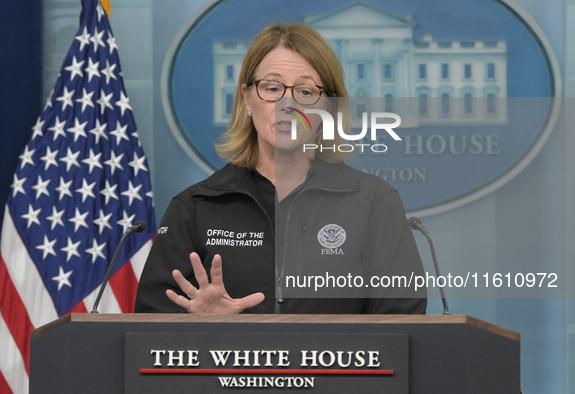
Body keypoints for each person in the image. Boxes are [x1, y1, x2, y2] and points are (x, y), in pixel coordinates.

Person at [134, 23, 427, 314]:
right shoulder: (195, 207)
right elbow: (149, 332)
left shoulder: (374, 202)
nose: (288, 104)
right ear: (247, 98)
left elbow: (402, 327)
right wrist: (202, 329)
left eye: (305, 91)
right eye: (272, 88)